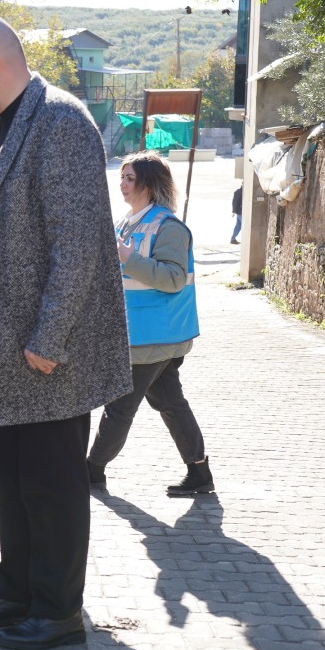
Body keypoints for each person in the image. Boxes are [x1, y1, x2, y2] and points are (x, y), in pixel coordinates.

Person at [0, 16, 131, 650]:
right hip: (3, 356)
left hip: (44, 357)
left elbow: (77, 244)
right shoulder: (6, 126)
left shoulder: (60, 121)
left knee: (51, 485)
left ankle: (57, 611)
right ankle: (16, 592)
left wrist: (48, 339)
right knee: (13, 484)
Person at [87, 152, 214, 498]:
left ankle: (91, 470)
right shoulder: (125, 222)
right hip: (141, 333)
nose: (122, 183)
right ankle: (200, 474)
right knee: (170, 402)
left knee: (120, 406)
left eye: (130, 178)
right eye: (122, 177)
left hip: (154, 335)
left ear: (148, 182)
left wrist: (130, 260)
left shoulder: (168, 227)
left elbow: (173, 278)